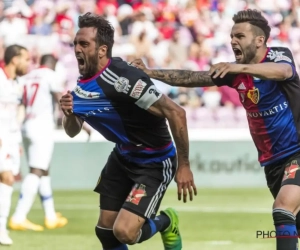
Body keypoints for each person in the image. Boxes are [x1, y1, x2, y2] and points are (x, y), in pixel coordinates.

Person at [132, 9, 300, 250]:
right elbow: (191, 77)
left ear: (260, 40)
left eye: (240, 36)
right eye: (232, 36)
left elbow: (284, 72)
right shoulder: (234, 72)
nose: (233, 41)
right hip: (273, 162)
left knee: (283, 209)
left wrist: (237, 69)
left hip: (297, 151)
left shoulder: (278, 55)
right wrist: (150, 73)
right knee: (291, 223)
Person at [60, 12, 197, 250]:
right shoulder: (81, 87)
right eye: (75, 44)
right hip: (123, 157)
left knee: (124, 231)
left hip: (154, 161)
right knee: (105, 230)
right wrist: (70, 114)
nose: (77, 49)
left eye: (84, 44)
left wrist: (184, 164)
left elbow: (176, 113)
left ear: (102, 50)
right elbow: (72, 131)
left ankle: (166, 221)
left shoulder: (124, 79)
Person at [9, 54, 68, 231]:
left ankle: (50, 216)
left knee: (43, 168)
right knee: (36, 170)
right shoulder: (50, 75)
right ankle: (19, 216)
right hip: (42, 126)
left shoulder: (27, 76)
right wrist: (78, 121)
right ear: (53, 64)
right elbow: (60, 98)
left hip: (26, 124)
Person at [0, 44, 30, 245]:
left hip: (10, 139)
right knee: (7, 178)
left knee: (7, 180)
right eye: (26, 59)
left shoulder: (16, 83)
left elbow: (14, 114)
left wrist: (16, 140)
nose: (28, 64)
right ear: (15, 59)